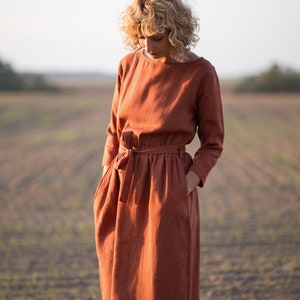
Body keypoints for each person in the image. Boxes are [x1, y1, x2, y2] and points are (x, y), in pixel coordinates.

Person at [94, 0, 224, 299]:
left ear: (176, 32)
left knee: (165, 278)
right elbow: (114, 130)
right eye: (142, 35)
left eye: (157, 37)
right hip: (121, 183)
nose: (147, 45)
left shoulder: (201, 72)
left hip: (168, 186)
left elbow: (213, 142)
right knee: (119, 279)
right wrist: (106, 180)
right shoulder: (128, 64)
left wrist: (185, 185)